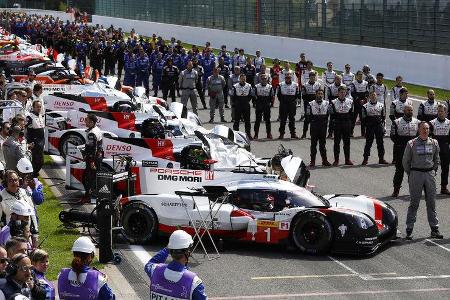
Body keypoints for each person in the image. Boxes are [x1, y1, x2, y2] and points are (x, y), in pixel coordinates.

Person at [403, 121, 443, 240]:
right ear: (418, 130)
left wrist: (433, 170)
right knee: (414, 203)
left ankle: (434, 229)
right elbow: (405, 161)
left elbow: (437, 159)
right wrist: (411, 173)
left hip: (429, 174)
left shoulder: (434, 142)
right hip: (416, 174)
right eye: (423, 128)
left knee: (431, 202)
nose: (425, 131)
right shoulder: (411, 143)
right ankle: (409, 229)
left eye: (427, 128)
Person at [145, 230, 207, 300]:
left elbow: (149, 264)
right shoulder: (194, 282)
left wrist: (167, 249)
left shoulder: (154, 270)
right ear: (188, 253)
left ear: (170, 251)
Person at [390, 104, 419, 197]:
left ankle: (413, 190)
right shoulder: (396, 122)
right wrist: (401, 144)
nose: (410, 112)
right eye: (408, 110)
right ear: (404, 111)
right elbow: (392, 136)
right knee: (399, 170)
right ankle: (396, 190)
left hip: (413, 150)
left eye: (411, 110)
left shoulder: (417, 122)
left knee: (413, 171)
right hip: (401, 148)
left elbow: (420, 135)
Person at [361, 91, 388, 165]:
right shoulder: (365, 106)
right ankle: (365, 159)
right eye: (372, 95)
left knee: (380, 143)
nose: (373, 97)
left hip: (378, 126)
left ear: (376, 96)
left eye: (374, 95)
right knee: (368, 143)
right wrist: (364, 130)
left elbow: (383, 116)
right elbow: (363, 119)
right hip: (370, 127)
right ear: (369, 97)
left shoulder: (381, 105)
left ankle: (381, 158)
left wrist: (383, 128)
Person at [329, 85, 354, 165]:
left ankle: (347, 159)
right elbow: (332, 115)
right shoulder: (333, 102)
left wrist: (350, 124)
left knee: (347, 142)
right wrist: (331, 128)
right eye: (341, 92)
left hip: (346, 123)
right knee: (337, 143)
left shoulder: (350, 101)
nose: (343, 94)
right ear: (338, 93)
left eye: (344, 92)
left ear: (346, 93)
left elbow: (352, 114)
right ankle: (336, 160)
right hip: (337, 123)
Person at [81, 114, 103, 204]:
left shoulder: (92, 133)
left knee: (89, 178)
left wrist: (91, 161)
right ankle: (95, 195)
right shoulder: (97, 129)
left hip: (93, 159)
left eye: (86, 120)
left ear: (91, 122)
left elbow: (93, 148)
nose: (85, 121)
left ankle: (88, 197)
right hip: (98, 157)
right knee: (94, 177)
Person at [306, 89, 331, 167]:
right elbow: (308, 115)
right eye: (318, 94)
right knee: (313, 144)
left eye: (321, 94)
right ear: (316, 94)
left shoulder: (327, 103)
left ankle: (324, 160)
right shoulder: (310, 104)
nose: (320, 95)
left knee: (322, 144)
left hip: (323, 126)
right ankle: (312, 161)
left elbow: (330, 114)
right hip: (314, 125)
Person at [429, 104, 450, 194]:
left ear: (446, 112)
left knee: (445, 169)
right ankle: (430, 187)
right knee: (433, 169)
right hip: (434, 148)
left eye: (442, 111)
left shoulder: (449, 123)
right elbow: (428, 136)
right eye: (439, 111)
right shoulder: (432, 122)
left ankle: (443, 187)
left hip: (445, 148)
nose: (440, 113)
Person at [277, 73, 300, 139]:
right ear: (285, 78)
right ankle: (281, 134)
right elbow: (278, 95)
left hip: (292, 103)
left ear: (291, 78)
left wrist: (293, 101)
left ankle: (293, 133)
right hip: (283, 103)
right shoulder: (281, 84)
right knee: (283, 119)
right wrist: (283, 101)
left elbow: (297, 95)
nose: (288, 79)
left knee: (292, 119)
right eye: (286, 78)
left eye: (289, 78)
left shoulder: (295, 85)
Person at [26, 100, 45, 178]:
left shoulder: (41, 115)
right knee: (37, 160)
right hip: (34, 141)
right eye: (37, 107)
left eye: (40, 107)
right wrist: (30, 142)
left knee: (40, 161)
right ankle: (32, 175)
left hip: (41, 141)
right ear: (33, 107)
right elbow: (28, 131)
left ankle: (34, 174)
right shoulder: (30, 117)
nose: (39, 108)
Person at [232, 74, 253, 138]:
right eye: (241, 79)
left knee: (247, 120)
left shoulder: (249, 85)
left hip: (246, 104)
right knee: (236, 120)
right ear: (239, 79)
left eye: (244, 79)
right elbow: (233, 96)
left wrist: (246, 100)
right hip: (238, 104)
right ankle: (236, 135)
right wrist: (235, 103)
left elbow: (250, 95)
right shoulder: (235, 86)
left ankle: (248, 134)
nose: (243, 80)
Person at [301, 72, 321, 139]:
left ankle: (313, 134)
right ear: (309, 77)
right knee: (307, 120)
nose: (313, 78)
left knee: (315, 120)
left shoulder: (318, 84)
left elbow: (320, 95)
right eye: (311, 77)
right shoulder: (304, 85)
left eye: (314, 77)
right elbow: (304, 96)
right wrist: (311, 100)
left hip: (316, 104)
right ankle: (304, 134)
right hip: (308, 105)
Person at [253, 74, 273, 140]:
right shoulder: (256, 86)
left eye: (265, 79)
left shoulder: (270, 87)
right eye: (262, 79)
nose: (264, 80)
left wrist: (270, 103)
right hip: (259, 104)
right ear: (260, 79)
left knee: (267, 120)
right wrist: (255, 103)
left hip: (266, 104)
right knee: (258, 120)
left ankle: (269, 134)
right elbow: (254, 96)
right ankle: (256, 134)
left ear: (267, 79)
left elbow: (272, 96)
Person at [350, 70, 368, 136]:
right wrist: (359, 99)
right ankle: (351, 132)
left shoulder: (366, 83)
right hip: (356, 102)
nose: (360, 76)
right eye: (359, 74)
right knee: (354, 118)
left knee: (363, 118)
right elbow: (352, 93)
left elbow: (367, 92)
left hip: (363, 103)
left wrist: (364, 99)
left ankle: (363, 133)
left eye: (361, 74)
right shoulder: (353, 83)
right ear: (357, 76)